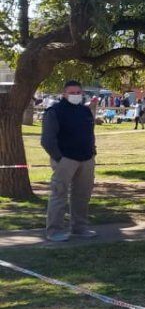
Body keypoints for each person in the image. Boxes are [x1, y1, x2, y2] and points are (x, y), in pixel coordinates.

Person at [41, 80, 97, 242]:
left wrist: (92, 153)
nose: (75, 95)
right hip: (65, 160)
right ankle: (54, 231)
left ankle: (79, 228)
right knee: (59, 194)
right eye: (71, 93)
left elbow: (89, 133)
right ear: (64, 94)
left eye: (78, 92)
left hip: (86, 159)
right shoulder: (54, 111)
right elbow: (47, 139)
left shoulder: (85, 112)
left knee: (82, 195)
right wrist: (59, 158)